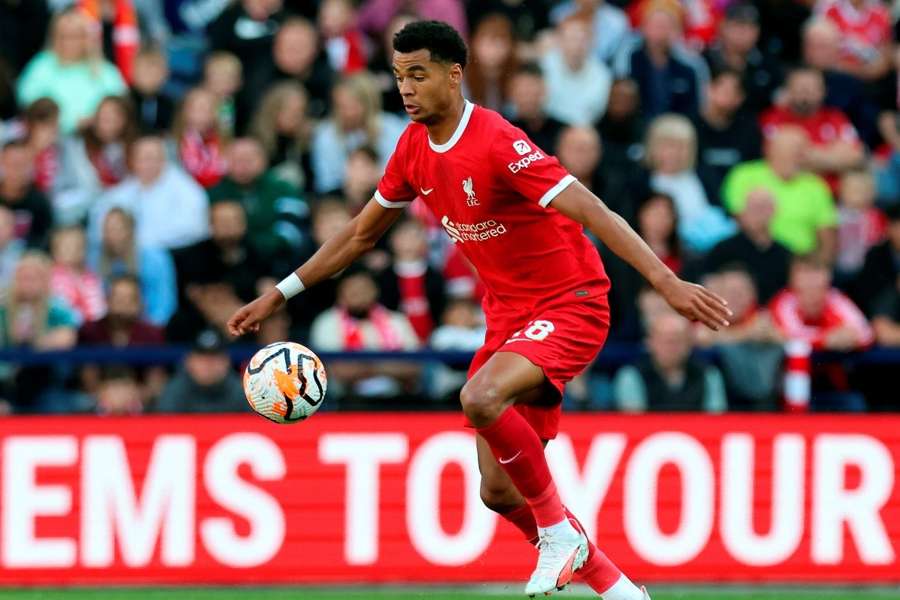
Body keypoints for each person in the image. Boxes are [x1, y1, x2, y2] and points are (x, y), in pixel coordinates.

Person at [227, 21, 730, 599]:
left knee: (481, 396)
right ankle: (616, 589)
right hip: (509, 318)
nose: (407, 89)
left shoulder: (496, 140)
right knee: (497, 491)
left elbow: (594, 212)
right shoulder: (413, 148)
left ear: (453, 73)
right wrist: (280, 292)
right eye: (398, 77)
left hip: (571, 303)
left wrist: (666, 283)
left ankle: (559, 535)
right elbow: (359, 235)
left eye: (418, 74)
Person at [613, 311, 727, 412]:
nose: (672, 346)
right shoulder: (631, 375)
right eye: (665, 340)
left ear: (690, 343)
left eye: (678, 339)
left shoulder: (708, 374)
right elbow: (633, 424)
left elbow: (715, 420)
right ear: (649, 343)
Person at [156, 328, 246, 413]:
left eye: (214, 358)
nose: (208, 364)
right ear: (189, 361)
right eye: (201, 358)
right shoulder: (175, 391)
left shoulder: (239, 391)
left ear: (226, 361)